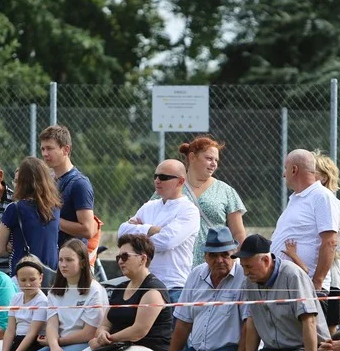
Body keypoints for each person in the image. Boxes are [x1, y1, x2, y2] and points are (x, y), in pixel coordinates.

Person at [64, 234, 172, 351]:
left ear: (143, 258)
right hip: (118, 346)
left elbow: (139, 331)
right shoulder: (121, 287)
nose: (120, 261)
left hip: (152, 350)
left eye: (125, 256)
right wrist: (102, 333)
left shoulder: (153, 290)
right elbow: (106, 322)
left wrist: (107, 338)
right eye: (118, 258)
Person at [272, 149, 340, 325]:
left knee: (312, 346)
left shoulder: (322, 197)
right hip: (288, 286)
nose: (283, 174)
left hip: (308, 289)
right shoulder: (296, 198)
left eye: (286, 168)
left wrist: (317, 283)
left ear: (294, 170)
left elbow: (330, 241)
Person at [118, 159, 199, 302]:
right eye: (155, 176)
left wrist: (137, 233)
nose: (157, 180)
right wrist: (150, 229)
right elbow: (122, 233)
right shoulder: (149, 206)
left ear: (180, 181)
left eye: (163, 177)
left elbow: (165, 242)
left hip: (172, 286)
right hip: (142, 285)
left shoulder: (189, 210)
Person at [171, 136, 246, 265]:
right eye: (209, 158)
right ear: (192, 157)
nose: (214, 164)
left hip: (215, 264)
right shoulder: (171, 187)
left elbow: (238, 233)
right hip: (177, 262)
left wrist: (234, 261)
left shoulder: (225, 191)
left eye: (216, 160)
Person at [0, 156, 62, 275]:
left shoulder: (14, 209)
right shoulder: (55, 208)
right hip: (51, 274)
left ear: (22, 182)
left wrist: (11, 247)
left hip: (24, 275)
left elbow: (0, 250)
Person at [40, 125, 99, 252]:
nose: (45, 153)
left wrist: (51, 219)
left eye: (50, 148)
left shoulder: (79, 184)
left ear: (66, 150)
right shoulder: (48, 180)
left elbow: (88, 229)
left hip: (72, 260)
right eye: (43, 149)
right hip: (51, 256)